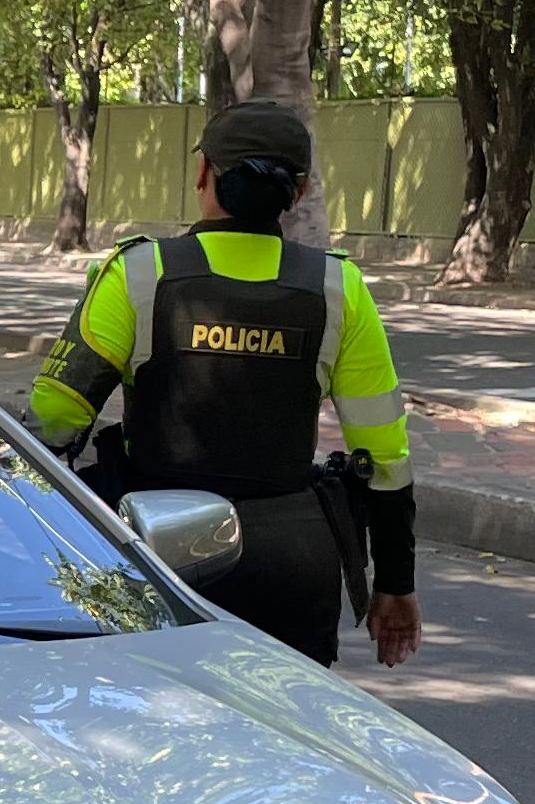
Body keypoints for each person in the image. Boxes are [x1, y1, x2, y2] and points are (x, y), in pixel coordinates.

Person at [26, 100, 422, 670]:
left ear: (203, 173)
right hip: (291, 569)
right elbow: (385, 457)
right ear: (303, 189)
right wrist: (395, 584)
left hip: (155, 556)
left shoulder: (140, 272)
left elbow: (56, 420)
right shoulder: (339, 287)